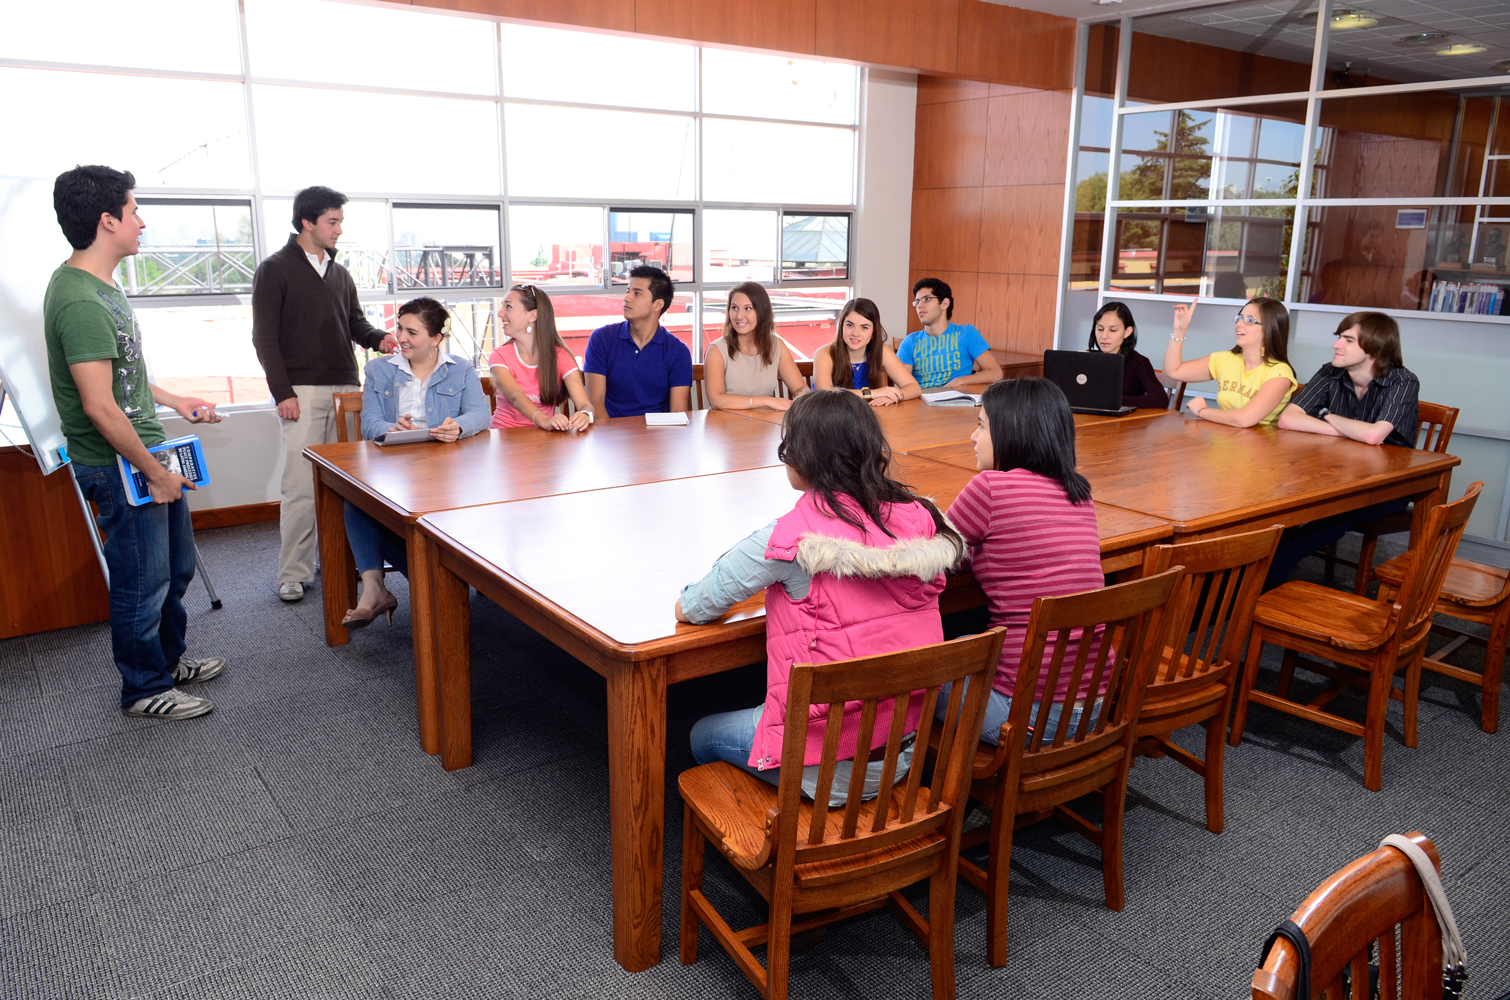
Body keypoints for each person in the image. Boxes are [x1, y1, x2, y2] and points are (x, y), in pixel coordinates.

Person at [676, 391, 963, 802]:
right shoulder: (923, 519)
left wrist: (683, 599)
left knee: (700, 734)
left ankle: (764, 826)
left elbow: (696, 606)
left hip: (822, 766)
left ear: (803, 455)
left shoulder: (795, 537)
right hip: (903, 753)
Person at [45, 165, 227, 719]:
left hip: (142, 453)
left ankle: (168, 662)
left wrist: (174, 403)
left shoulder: (102, 288)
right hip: (120, 464)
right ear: (107, 221)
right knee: (140, 583)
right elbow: (98, 406)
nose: (141, 222)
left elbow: (119, 375)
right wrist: (153, 470)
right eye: (133, 210)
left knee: (173, 571)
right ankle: (145, 687)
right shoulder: (79, 300)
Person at [943, 378, 1108, 743]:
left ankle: (926, 783)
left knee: (917, 676)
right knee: (967, 640)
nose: (973, 436)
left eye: (982, 425)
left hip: (1028, 716)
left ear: (1013, 433)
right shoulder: (1079, 492)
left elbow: (935, 556)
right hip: (1096, 707)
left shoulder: (990, 487)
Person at [252, 185, 395, 603]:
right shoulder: (275, 269)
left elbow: (355, 324)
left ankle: (347, 561)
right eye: (332, 222)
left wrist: (380, 339)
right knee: (300, 485)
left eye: (340, 222)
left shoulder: (340, 272)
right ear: (306, 222)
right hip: (301, 390)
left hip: (346, 388)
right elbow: (264, 338)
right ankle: (293, 573)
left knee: (350, 484)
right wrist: (283, 392)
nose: (338, 230)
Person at [341, 297, 489, 627]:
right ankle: (377, 588)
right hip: (395, 468)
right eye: (400, 328)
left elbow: (481, 413)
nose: (401, 337)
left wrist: (459, 426)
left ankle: (440, 581)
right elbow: (370, 423)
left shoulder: (461, 369)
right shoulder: (378, 370)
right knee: (358, 500)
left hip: (448, 470)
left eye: (412, 332)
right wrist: (391, 429)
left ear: (437, 338)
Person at [1266, 312, 1422, 588]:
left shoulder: (1402, 381)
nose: (1337, 345)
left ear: (1374, 347)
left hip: (1387, 487)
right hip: (1332, 473)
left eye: (1348, 339)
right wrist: (1347, 429)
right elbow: (1288, 419)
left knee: (1332, 512)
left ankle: (1271, 571)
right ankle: (1257, 567)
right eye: (1339, 337)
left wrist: (1327, 415)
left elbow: (1374, 435)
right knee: (1276, 495)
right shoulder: (1331, 371)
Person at [1163, 296, 1296, 427]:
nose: (1239, 324)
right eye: (1239, 318)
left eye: (1249, 320)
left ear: (1270, 328)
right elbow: (1173, 371)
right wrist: (1179, 331)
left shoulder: (1280, 372)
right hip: (1224, 440)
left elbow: (1245, 419)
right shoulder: (1225, 359)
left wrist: (1202, 411)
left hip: (1261, 445)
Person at [583, 265, 693, 417]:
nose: (627, 298)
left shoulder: (678, 351)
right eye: (628, 291)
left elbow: (677, 412)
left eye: (637, 293)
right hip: (611, 435)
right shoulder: (601, 339)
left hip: (659, 436)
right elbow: (595, 401)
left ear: (658, 305)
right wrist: (611, 437)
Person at [487, 284, 594, 431]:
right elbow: (515, 396)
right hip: (505, 436)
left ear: (533, 316)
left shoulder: (561, 357)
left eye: (508, 307)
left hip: (542, 440)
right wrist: (545, 421)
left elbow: (585, 405)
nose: (500, 313)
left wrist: (585, 415)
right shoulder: (499, 356)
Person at [703, 282, 809, 411]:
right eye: (734, 308)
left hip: (767, 425)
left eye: (748, 308)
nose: (739, 316)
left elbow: (801, 388)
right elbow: (716, 400)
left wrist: (801, 396)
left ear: (761, 311)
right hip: (727, 426)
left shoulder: (777, 346)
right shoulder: (716, 350)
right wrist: (766, 400)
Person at [896, 277, 1004, 390]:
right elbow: (901, 385)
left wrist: (961, 381)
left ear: (944, 303)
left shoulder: (966, 334)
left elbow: (996, 373)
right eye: (917, 301)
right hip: (920, 403)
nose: (919, 305)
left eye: (926, 299)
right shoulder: (910, 342)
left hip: (957, 402)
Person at [812, 297, 921, 407]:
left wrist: (894, 397)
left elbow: (914, 387)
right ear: (841, 326)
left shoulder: (881, 350)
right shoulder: (824, 354)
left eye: (864, 327)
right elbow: (825, 393)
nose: (855, 333)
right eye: (849, 325)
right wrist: (873, 393)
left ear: (874, 331)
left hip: (866, 416)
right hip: (830, 416)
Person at [1086, 301, 1167, 409]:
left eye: (1113, 330)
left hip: (1124, 423)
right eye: (1100, 329)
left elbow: (1160, 399)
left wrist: (1116, 400)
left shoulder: (1138, 362)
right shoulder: (1087, 358)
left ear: (1127, 332)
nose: (1104, 336)